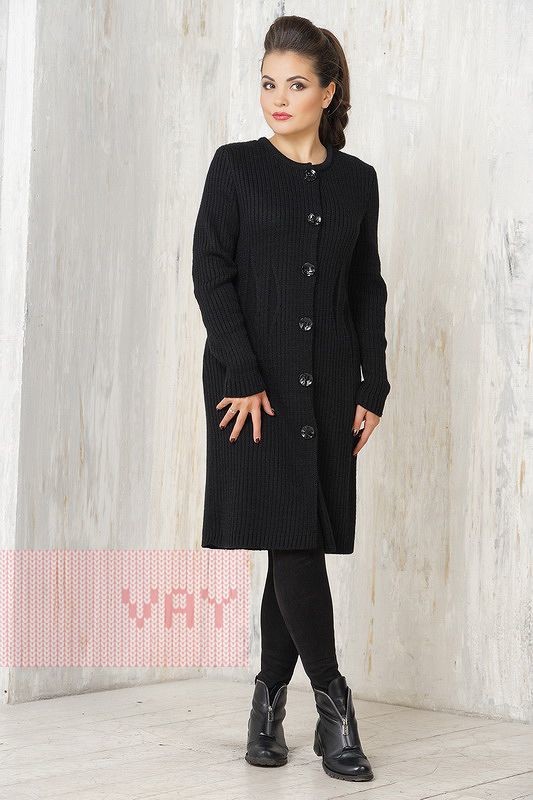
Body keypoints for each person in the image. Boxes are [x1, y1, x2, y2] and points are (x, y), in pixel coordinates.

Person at [192, 14, 391, 783]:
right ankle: (334, 708)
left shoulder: (356, 181)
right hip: (253, 387)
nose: (277, 98)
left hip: (330, 382)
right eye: (268, 83)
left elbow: (365, 288)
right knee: (293, 538)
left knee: (293, 536)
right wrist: (241, 369)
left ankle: (267, 705)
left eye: (295, 84)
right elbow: (211, 272)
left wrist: (372, 383)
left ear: (327, 92)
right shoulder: (235, 167)